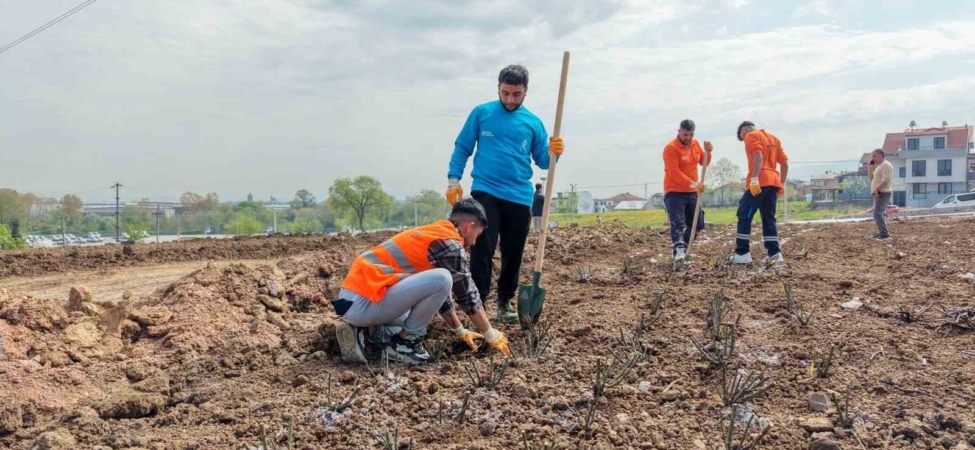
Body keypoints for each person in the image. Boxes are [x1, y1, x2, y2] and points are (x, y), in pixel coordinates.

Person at [445, 64, 566, 324]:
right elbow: (462, 147)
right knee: (482, 249)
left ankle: (505, 301)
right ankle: (477, 303)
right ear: (498, 88)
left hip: (519, 196)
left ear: (525, 92)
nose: (510, 99)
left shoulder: (533, 122)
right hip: (485, 190)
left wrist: (554, 151)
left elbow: (544, 162)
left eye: (516, 94)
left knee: (514, 252)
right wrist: (453, 179)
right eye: (506, 93)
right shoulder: (482, 113)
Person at [333, 198, 512, 365]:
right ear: (469, 227)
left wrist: (460, 330)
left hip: (353, 300)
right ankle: (404, 345)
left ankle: (366, 332)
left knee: (417, 322)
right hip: (366, 301)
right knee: (441, 281)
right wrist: (490, 334)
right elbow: (466, 294)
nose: (473, 243)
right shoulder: (450, 244)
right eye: (477, 235)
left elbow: (439, 297)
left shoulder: (433, 233)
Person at [732, 121, 789, 265]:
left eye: (742, 137)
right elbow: (784, 163)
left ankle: (742, 253)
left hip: (759, 182)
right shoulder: (773, 139)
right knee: (768, 218)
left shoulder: (751, 136)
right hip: (773, 183)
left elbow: (758, 156)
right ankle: (774, 254)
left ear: (744, 130)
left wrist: (754, 179)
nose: (744, 140)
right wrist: (781, 184)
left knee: (744, 215)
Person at [662, 119, 712, 261]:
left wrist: (708, 152)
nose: (688, 138)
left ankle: (683, 245)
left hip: (692, 192)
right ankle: (678, 250)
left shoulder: (695, 144)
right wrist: (692, 183)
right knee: (678, 223)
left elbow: (704, 162)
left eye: (690, 134)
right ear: (679, 132)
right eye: (685, 135)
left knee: (698, 223)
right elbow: (673, 172)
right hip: (675, 192)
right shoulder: (671, 148)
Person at [867, 148, 893, 240]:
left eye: (874, 156)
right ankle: (882, 233)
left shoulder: (886, 165)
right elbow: (871, 178)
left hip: (883, 192)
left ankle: (884, 234)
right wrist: (870, 167)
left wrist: (877, 189)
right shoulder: (879, 166)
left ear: (880, 155)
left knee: (877, 213)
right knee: (879, 213)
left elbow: (885, 180)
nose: (873, 158)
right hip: (878, 192)